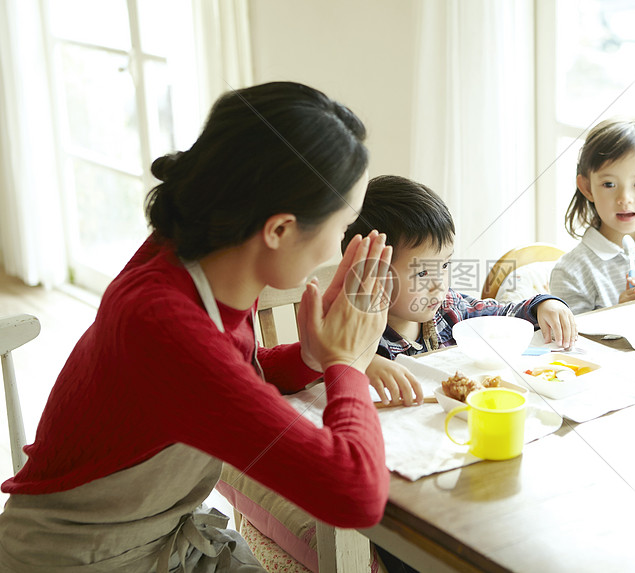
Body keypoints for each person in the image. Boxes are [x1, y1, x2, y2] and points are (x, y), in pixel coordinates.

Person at [0, 82, 393, 572]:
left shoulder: (210, 259)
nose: (339, 247)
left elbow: (215, 385)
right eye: (343, 226)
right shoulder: (160, 320)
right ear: (279, 230)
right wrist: (346, 363)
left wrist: (310, 358)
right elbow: (355, 496)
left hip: (160, 537)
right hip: (79, 559)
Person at [344, 175, 578, 406]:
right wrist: (361, 365)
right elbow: (330, 371)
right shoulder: (355, 333)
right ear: (371, 274)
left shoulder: (448, 308)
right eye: (422, 273)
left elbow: (504, 316)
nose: (439, 284)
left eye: (444, 265)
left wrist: (543, 305)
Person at [549, 116, 635, 314]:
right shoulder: (571, 272)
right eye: (609, 184)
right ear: (587, 188)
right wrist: (618, 314)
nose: (624, 198)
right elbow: (572, 334)